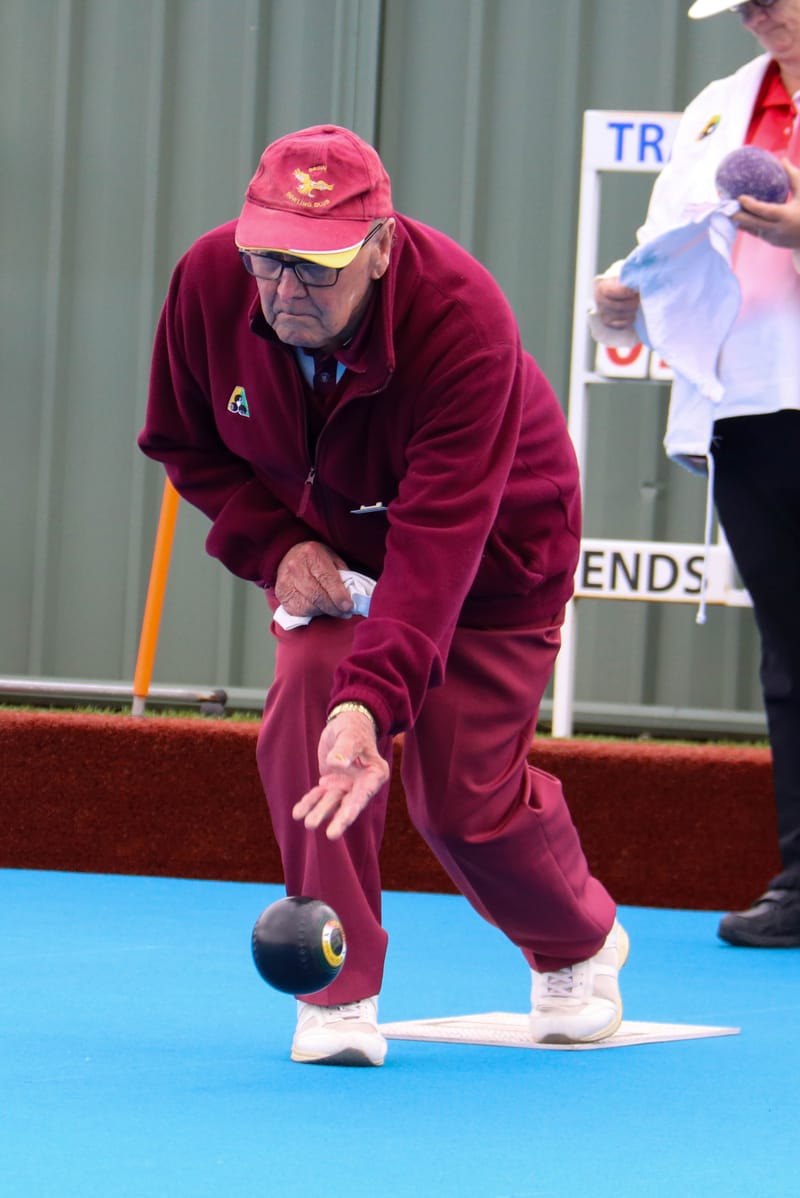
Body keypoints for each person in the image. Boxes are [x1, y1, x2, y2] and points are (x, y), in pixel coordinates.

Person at [139, 123, 627, 1066]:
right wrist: (275, 546)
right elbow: (182, 441)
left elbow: (440, 542)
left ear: (383, 247)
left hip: (490, 560)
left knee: (462, 802)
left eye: (315, 269)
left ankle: (579, 942)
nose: (284, 291)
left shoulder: (462, 318)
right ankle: (334, 987)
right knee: (306, 719)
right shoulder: (211, 279)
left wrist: (375, 699)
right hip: (327, 553)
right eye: (268, 261)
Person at [593, 0, 800, 948]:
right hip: (750, 406)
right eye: (743, 4)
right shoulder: (719, 104)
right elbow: (661, 248)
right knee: (791, 656)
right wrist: (618, 302)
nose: (757, 14)